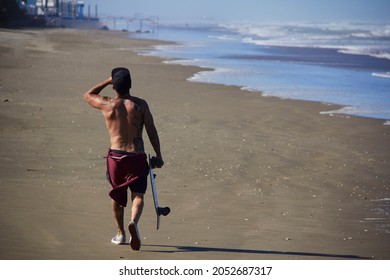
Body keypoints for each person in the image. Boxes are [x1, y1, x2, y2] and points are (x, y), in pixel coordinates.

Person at [83, 67, 164, 251]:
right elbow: (151, 130)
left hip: (117, 158)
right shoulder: (141, 105)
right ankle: (133, 222)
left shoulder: (107, 104)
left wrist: (107, 80)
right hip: (136, 157)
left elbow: (88, 94)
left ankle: (120, 234)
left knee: (118, 195)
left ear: (113, 87)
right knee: (138, 195)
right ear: (131, 85)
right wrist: (158, 155)